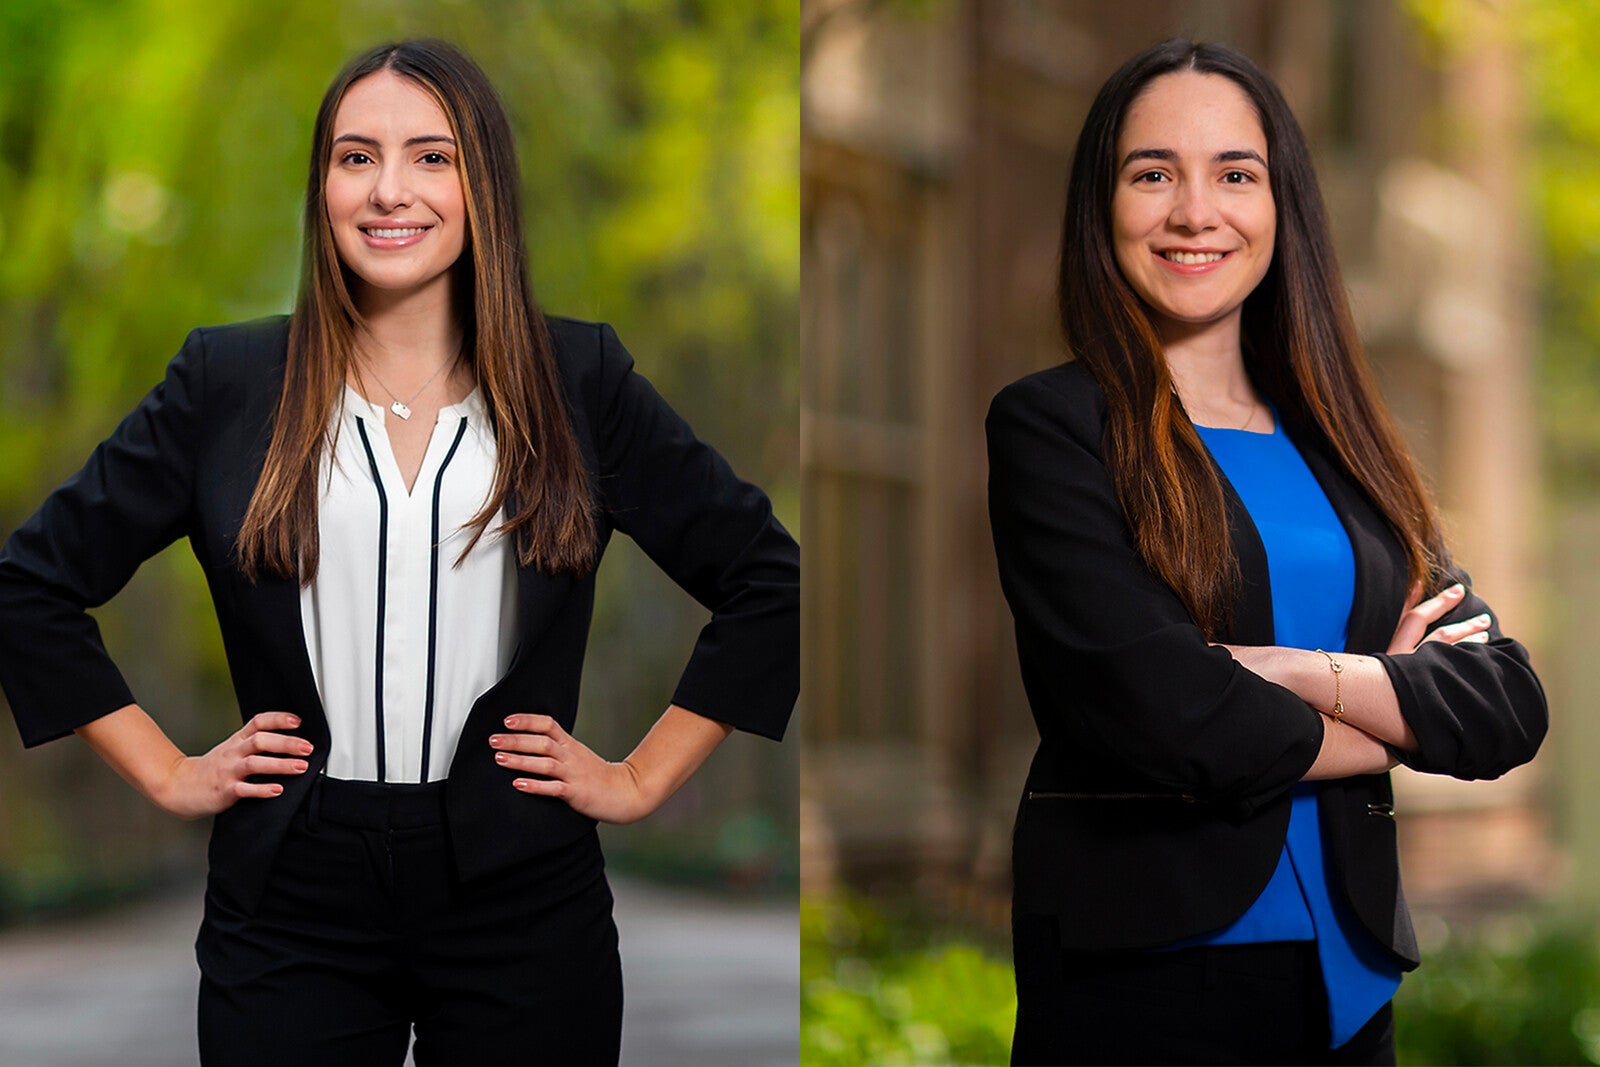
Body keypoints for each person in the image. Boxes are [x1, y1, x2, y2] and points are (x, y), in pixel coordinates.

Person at [0, 38, 797, 1066]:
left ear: (484, 187)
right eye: (354, 156)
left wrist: (642, 776)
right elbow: (30, 582)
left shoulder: (578, 378)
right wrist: (164, 770)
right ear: (323, 185)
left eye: (431, 156)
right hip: (290, 894)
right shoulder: (228, 381)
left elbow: (765, 576)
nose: (390, 191)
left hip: (521, 888)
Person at [986, 38, 1545, 1066]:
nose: (1195, 211)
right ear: (1100, 204)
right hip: (1150, 974)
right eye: (1152, 172)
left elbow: (1506, 700)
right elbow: (1163, 714)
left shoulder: (1348, 447)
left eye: (1233, 173)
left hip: (1350, 974)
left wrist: (1293, 670)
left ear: (1280, 204)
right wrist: (1401, 707)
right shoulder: (1053, 426)